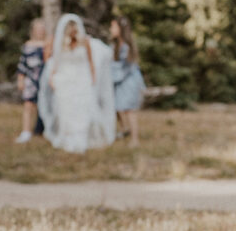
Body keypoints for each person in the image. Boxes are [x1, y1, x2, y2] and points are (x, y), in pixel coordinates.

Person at [38, 14, 116, 153]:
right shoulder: (60, 42)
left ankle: (81, 138)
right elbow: (56, 62)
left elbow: (90, 62)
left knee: (83, 110)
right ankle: (68, 138)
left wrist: (93, 79)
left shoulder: (85, 42)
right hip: (65, 81)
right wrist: (52, 77)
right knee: (66, 110)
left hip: (82, 80)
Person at [110, 15, 145, 147]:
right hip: (121, 81)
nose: (111, 29)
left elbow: (125, 68)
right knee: (116, 106)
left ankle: (135, 139)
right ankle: (124, 129)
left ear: (120, 28)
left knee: (130, 110)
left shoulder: (126, 46)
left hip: (129, 82)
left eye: (113, 26)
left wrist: (111, 76)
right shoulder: (116, 45)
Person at [15, 18, 47, 143]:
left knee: (44, 106)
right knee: (28, 105)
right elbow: (22, 64)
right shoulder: (28, 45)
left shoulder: (48, 44)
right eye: (38, 29)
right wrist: (20, 79)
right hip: (31, 80)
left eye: (42, 29)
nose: (40, 31)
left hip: (44, 79)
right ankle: (26, 131)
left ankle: (43, 130)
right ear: (33, 30)